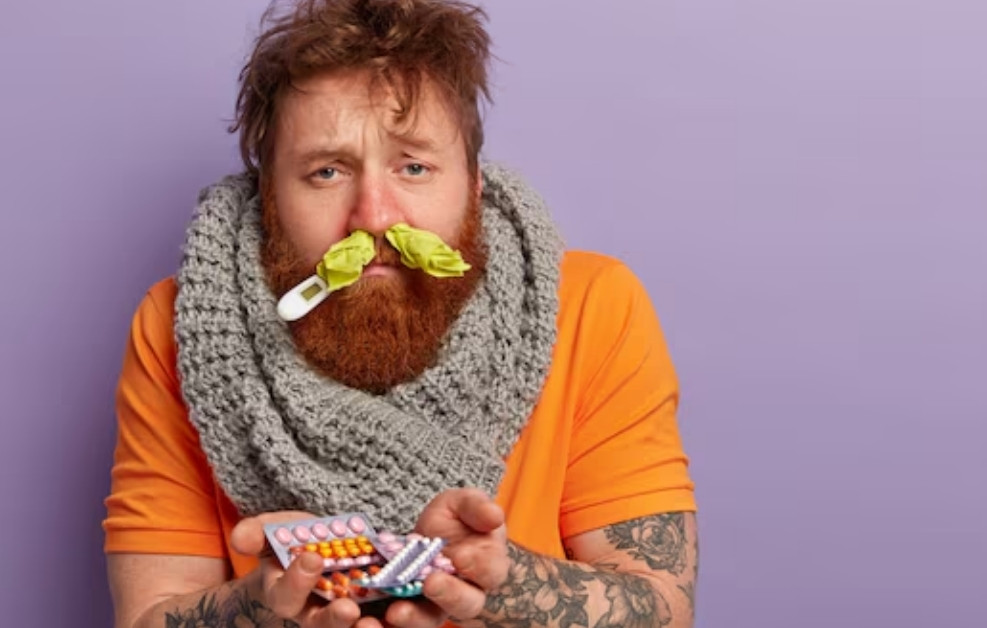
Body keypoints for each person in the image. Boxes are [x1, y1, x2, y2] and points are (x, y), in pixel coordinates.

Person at [102, 1, 699, 627]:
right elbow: (147, 617)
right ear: (269, 200)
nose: (376, 217)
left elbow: (664, 610)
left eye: (414, 166)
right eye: (326, 171)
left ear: (472, 185)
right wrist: (258, 608)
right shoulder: (184, 323)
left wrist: (505, 581)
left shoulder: (591, 305)